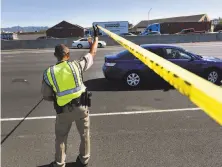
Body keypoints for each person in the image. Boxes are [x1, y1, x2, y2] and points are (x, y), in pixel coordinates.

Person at [41, 25, 100, 167]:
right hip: (81, 108)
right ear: (67, 55)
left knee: (61, 137)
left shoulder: (49, 73)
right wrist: (96, 39)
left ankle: (60, 163)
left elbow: (46, 95)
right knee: (84, 135)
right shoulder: (76, 65)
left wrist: (56, 97)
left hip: (63, 111)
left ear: (56, 56)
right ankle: (84, 159)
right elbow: (92, 54)